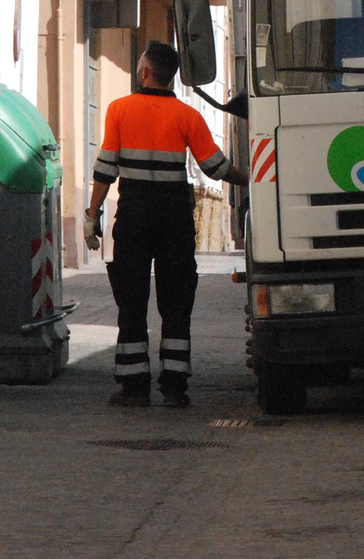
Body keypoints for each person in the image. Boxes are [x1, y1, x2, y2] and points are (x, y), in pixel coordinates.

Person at [85, 41, 247, 408]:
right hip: (174, 217)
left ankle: (133, 386)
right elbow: (216, 168)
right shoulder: (188, 116)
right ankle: (174, 387)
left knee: (132, 300)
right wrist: (253, 179)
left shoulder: (120, 110)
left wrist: (91, 215)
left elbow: (105, 170)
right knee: (176, 303)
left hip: (135, 215)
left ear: (145, 72)